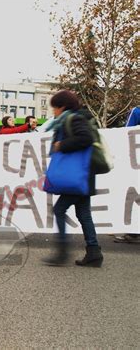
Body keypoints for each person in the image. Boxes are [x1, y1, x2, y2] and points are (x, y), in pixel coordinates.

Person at [42, 90, 103, 267]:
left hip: (79, 176)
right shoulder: (74, 118)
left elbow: (86, 138)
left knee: (59, 210)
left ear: (62, 106)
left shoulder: (74, 119)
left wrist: (62, 144)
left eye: (54, 108)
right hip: (83, 176)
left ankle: (62, 252)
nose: (53, 112)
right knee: (84, 213)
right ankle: (94, 252)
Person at [114, 106, 140, 243]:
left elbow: (126, 132)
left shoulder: (136, 111)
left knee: (133, 194)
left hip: (136, 162)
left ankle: (133, 231)